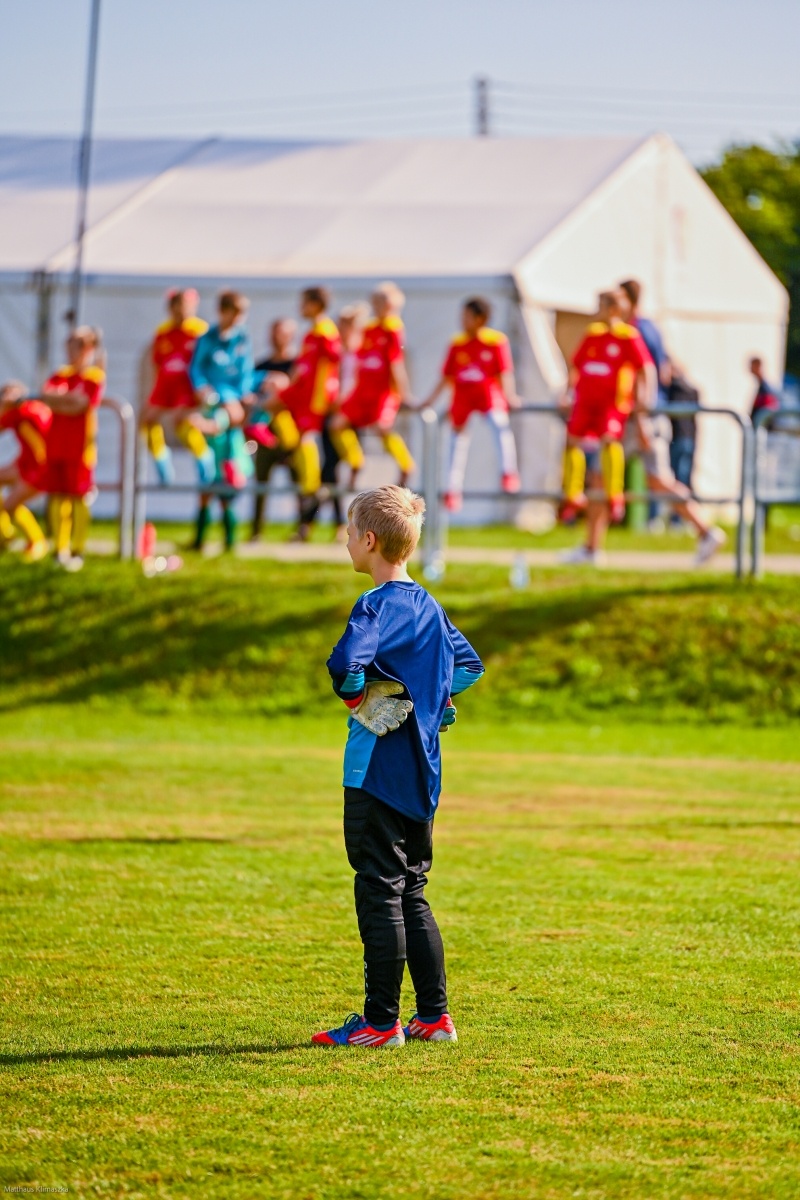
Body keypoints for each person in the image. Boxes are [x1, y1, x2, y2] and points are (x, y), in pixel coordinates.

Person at [315, 485, 484, 1048]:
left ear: (368, 540)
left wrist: (365, 702)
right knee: (412, 888)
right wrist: (431, 703)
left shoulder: (374, 604)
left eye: (347, 532)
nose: (346, 541)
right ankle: (434, 1017)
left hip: (376, 772)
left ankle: (381, 1022)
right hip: (424, 771)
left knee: (379, 890)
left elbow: (345, 664)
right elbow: (470, 665)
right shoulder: (428, 605)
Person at [560, 292, 655, 565]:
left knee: (609, 441)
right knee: (572, 441)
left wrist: (645, 398)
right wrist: (568, 393)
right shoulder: (593, 333)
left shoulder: (628, 336)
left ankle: (616, 495)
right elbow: (576, 366)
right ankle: (573, 495)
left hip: (611, 404)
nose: (595, 311)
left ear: (614, 309)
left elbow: (644, 367)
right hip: (585, 402)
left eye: (600, 306)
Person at [423, 297, 521, 512]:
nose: (462, 321)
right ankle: (452, 490)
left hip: (487, 393)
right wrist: (429, 400)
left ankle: (508, 472)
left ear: (481, 319)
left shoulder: (495, 341)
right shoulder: (457, 342)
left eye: (467, 316)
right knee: (456, 442)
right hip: (462, 396)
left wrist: (509, 395)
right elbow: (446, 375)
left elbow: (504, 372)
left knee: (499, 422)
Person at [263, 286, 341, 542]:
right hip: (305, 402)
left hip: (316, 406)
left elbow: (330, 368)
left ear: (316, 304)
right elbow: (302, 369)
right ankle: (289, 452)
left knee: (322, 461)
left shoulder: (325, 332)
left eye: (304, 302)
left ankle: (313, 496)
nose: (300, 306)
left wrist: (322, 402)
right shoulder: (312, 333)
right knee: (320, 464)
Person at [329, 282, 415, 490]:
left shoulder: (393, 329)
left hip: (382, 392)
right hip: (362, 390)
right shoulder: (369, 328)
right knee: (337, 424)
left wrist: (402, 393)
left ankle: (406, 465)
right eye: (376, 301)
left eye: (382, 302)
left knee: (382, 427)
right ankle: (356, 461)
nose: (378, 306)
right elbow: (352, 350)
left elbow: (396, 363)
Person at [187, 290, 255, 551]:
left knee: (226, 483)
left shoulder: (242, 338)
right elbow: (197, 370)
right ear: (223, 311)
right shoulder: (208, 338)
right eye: (235, 313)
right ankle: (199, 540)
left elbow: (245, 372)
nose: (239, 319)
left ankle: (229, 542)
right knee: (206, 481)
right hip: (212, 405)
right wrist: (207, 392)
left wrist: (236, 396)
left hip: (229, 410)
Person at [40, 326, 106, 571]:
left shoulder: (94, 376)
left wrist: (62, 401)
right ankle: (60, 548)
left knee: (79, 497)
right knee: (57, 496)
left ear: (88, 349)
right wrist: (65, 401)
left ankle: (78, 550)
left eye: (76, 346)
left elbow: (81, 404)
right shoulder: (60, 374)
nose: (70, 352)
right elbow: (46, 397)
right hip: (56, 444)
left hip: (81, 448)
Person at [140, 288, 209, 486]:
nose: (182, 312)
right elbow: (157, 362)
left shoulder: (200, 331)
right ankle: (161, 459)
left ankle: (203, 457)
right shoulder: (163, 331)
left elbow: (205, 363)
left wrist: (200, 391)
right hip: (166, 385)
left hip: (187, 386)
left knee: (183, 422)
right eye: (178, 307)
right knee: (148, 420)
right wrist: (156, 392)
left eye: (186, 307)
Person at [619, 279, 671, 525]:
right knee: (603, 474)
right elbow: (666, 369)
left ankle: (701, 528)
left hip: (643, 414)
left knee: (659, 480)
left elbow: (647, 374)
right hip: (642, 413)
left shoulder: (638, 330)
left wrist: (641, 416)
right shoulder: (648, 327)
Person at [246, 317, 297, 541]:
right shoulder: (261, 367)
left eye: (283, 333)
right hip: (265, 434)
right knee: (261, 483)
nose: (278, 338)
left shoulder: (297, 366)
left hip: (292, 433)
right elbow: (250, 395)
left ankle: (301, 529)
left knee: (300, 482)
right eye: (275, 333)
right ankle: (256, 531)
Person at [0, 380, 50, 562]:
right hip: (26, 464)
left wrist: (6, 405)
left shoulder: (22, 411)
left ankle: (37, 542)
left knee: (10, 505)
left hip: (42, 468)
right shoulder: (24, 410)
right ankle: (4, 536)